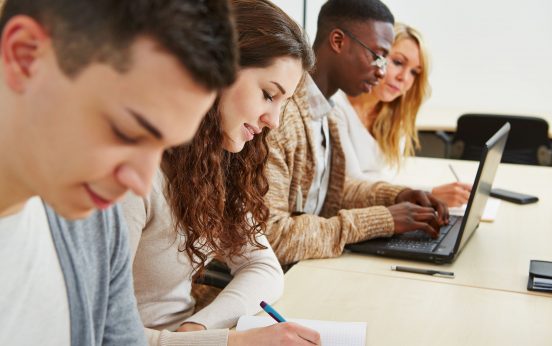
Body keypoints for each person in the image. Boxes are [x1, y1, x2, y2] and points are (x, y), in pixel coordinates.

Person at [0, 0, 237, 345]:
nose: (140, 184)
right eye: (126, 132)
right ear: (25, 56)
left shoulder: (95, 220)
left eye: (163, 147)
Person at [121, 0, 320, 345]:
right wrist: (231, 342)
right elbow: (96, 332)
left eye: (282, 103)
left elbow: (264, 268)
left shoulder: (210, 162)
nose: (273, 120)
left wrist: (198, 328)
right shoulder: (135, 175)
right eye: (267, 95)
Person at [264, 0, 449, 266]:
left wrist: (397, 196)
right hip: (270, 283)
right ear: (338, 41)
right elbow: (272, 238)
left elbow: (334, 191)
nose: (382, 71)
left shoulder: (325, 112)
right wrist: (383, 220)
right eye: (377, 56)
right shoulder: (281, 116)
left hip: (302, 268)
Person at [334, 23, 472, 207]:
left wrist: (428, 194)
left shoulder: (392, 116)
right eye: (398, 62)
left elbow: (387, 180)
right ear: (376, 56)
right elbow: (352, 187)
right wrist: (429, 196)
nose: (404, 78)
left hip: (383, 211)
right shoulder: (336, 107)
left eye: (414, 72)